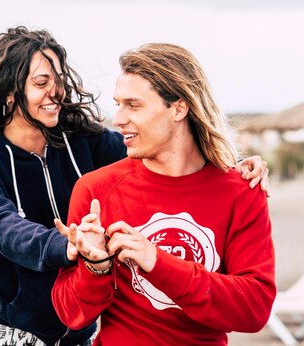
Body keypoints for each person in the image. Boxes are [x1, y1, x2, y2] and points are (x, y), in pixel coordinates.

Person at [0, 27, 269, 346]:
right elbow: (3, 227)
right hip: (12, 329)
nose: (56, 92)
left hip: (81, 334)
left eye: (59, 81)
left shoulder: (84, 141)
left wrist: (231, 164)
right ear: (8, 90)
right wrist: (70, 246)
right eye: (41, 83)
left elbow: (164, 150)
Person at [51, 43, 276, 345]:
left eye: (134, 105)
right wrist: (97, 266)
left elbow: (254, 309)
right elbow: (71, 313)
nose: (117, 119)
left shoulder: (243, 191)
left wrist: (156, 260)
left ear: (179, 108)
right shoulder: (95, 191)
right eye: (118, 104)